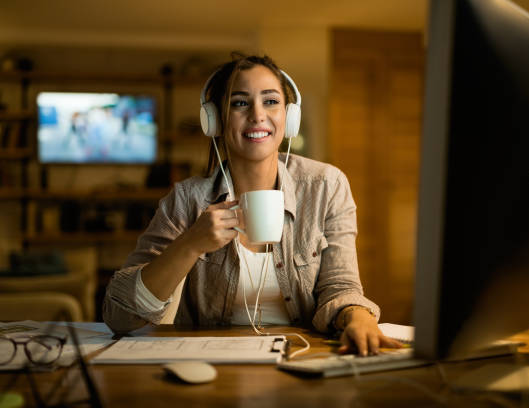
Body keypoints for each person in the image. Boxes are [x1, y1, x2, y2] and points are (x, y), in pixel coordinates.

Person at [103, 53, 402, 356]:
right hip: (212, 362)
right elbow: (120, 316)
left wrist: (359, 318)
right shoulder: (186, 199)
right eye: (239, 102)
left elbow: (341, 286)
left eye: (270, 101)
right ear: (215, 120)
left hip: (303, 355)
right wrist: (191, 243)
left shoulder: (326, 186)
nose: (258, 115)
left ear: (290, 116)